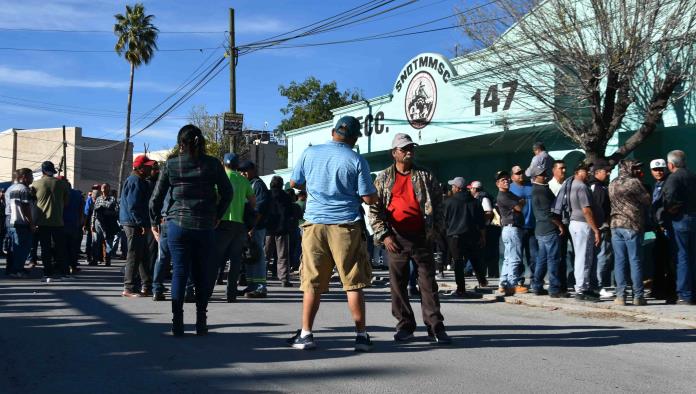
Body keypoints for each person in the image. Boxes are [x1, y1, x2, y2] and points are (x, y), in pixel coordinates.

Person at [289, 116, 377, 351]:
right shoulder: (357, 159)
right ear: (355, 138)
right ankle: (360, 336)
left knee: (312, 282)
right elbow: (368, 197)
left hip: (314, 225)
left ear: (333, 131)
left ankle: (306, 334)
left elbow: (294, 183)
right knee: (353, 282)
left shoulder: (309, 153)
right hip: (346, 226)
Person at [150, 124, 232, 336]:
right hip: (205, 226)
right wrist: (217, 215)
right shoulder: (213, 164)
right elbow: (228, 193)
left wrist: (153, 222)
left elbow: (156, 198)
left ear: (181, 144)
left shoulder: (171, 165)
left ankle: (177, 323)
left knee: (179, 272)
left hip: (177, 225)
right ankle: (201, 321)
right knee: (201, 274)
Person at [371, 132, 452, 344]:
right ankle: (405, 326)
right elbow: (374, 209)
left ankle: (435, 326)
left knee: (428, 283)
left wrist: (436, 231)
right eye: (404, 149)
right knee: (398, 285)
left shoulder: (425, 175)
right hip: (395, 238)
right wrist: (384, 235)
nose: (408, 152)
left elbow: (439, 204)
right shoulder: (383, 178)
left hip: (422, 237)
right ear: (394, 153)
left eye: (411, 149)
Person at [608, 159, 651, 306]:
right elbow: (647, 200)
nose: (638, 170)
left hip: (615, 225)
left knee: (619, 261)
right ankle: (638, 296)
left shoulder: (612, 183)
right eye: (635, 168)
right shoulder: (633, 182)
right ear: (629, 168)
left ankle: (620, 296)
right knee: (635, 260)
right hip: (632, 225)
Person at [215, 152, 255, 302]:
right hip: (238, 225)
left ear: (223, 164)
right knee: (235, 260)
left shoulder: (219, 178)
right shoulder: (243, 180)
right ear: (237, 165)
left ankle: (207, 291)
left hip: (221, 223)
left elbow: (214, 197)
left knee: (216, 259)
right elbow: (253, 202)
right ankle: (231, 293)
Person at [662, 150, 696, 305]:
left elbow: (669, 200)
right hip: (693, 217)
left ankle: (685, 293)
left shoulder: (673, 178)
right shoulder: (692, 175)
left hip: (680, 219)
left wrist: (670, 211)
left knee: (682, 256)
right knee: (692, 256)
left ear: (671, 164)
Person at [120, 154, 156, 297]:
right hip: (134, 222)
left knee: (143, 254)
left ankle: (146, 286)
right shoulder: (135, 181)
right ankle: (128, 288)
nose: (151, 168)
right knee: (134, 254)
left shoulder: (139, 180)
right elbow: (133, 206)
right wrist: (140, 223)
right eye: (148, 167)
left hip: (136, 221)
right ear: (140, 168)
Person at [444, 176, 485, 297]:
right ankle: (482, 281)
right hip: (472, 235)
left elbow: (444, 221)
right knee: (474, 258)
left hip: (455, 236)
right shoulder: (475, 202)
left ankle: (461, 288)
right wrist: (483, 236)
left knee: (458, 262)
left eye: (453, 186)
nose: (452, 188)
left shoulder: (448, 202)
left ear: (457, 188)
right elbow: (481, 221)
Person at [530, 167, 567, 297]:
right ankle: (554, 288)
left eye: (545, 173)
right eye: (541, 175)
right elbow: (548, 213)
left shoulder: (539, 189)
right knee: (553, 259)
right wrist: (560, 225)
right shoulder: (540, 190)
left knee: (542, 259)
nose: (545, 176)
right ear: (535, 177)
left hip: (541, 229)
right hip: (549, 229)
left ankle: (537, 286)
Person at [567, 162, 601, 302]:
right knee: (583, 257)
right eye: (585, 171)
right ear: (578, 172)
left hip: (576, 224)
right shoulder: (581, 187)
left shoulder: (572, 184)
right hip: (582, 224)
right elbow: (586, 210)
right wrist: (595, 229)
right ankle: (581, 289)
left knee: (583, 257)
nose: (588, 173)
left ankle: (583, 287)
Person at [32, 161, 69, 281]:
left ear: (42, 171)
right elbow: (66, 202)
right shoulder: (62, 184)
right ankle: (64, 272)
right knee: (60, 248)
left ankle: (47, 273)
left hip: (42, 222)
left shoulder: (36, 184)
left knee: (45, 249)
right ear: (53, 171)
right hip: (58, 221)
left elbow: (32, 203)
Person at [239, 160, 271, 298]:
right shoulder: (248, 184)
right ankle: (252, 285)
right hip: (249, 227)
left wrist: (252, 227)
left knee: (257, 255)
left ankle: (260, 287)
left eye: (246, 170)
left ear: (253, 170)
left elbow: (259, 210)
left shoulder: (258, 185)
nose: (243, 173)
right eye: (241, 171)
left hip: (256, 227)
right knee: (249, 257)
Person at [649, 158, 677, 303]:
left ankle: (670, 291)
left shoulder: (668, 183)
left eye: (661, 169)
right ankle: (658, 289)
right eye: (655, 169)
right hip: (657, 227)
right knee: (658, 259)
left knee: (669, 260)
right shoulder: (657, 184)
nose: (658, 172)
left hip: (667, 226)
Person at [495, 170, 527, 296]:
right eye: (503, 180)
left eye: (507, 179)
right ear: (497, 183)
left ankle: (503, 283)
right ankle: (512, 284)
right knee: (515, 258)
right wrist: (520, 202)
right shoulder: (503, 196)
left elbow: (521, 202)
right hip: (512, 228)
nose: (506, 181)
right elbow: (519, 206)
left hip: (510, 228)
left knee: (508, 258)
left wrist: (520, 202)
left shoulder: (509, 194)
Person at [4, 168, 35, 278]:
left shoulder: (10, 188)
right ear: (24, 177)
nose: (32, 178)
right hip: (20, 221)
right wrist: (31, 223)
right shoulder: (23, 189)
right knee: (22, 247)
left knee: (13, 247)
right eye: (31, 176)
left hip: (10, 220)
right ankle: (17, 270)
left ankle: (11, 269)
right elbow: (25, 208)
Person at [510, 165, 537, 287]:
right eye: (517, 173)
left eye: (521, 172)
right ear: (512, 177)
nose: (520, 174)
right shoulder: (510, 189)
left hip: (532, 226)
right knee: (518, 256)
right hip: (517, 227)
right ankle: (519, 280)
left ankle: (534, 279)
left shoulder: (531, 186)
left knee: (533, 256)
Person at [590, 161, 613, 298]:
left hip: (598, 227)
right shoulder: (597, 188)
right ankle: (598, 286)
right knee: (601, 257)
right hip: (600, 228)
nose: (608, 173)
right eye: (606, 171)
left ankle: (596, 284)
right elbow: (597, 209)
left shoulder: (599, 186)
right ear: (597, 172)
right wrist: (600, 226)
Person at [266, 175, 294, 287]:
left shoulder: (267, 195)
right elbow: (291, 213)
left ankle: (261, 277)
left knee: (265, 255)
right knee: (282, 255)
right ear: (282, 185)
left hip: (268, 229)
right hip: (282, 229)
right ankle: (284, 279)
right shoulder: (286, 197)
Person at [470, 180, 497, 279]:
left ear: (475, 189)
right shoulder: (476, 197)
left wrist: (480, 220)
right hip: (481, 228)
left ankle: (490, 274)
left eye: (471, 188)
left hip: (486, 229)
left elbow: (489, 213)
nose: (470, 190)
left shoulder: (483, 198)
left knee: (486, 252)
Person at [91, 183, 119, 266]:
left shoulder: (112, 199)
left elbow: (117, 211)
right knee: (95, 242)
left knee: (108, 242)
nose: (103, 187)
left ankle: (107, 260)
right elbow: (94, 212)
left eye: (105, 187)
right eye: (103, 186)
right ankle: (94, 260)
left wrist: (108, 212)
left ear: (108, 189)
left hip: (108, 223)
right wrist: (92, 224)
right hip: (98, 223)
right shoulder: (98, 199)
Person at [63, 180, 84, 274]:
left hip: (62, 223)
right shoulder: (77, 194)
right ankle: (73, 265)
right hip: (74, 223)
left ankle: (64, 266)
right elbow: (81, 208)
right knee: (73, 246)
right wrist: (80, 220)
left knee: (63, 246)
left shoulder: (62, 194)